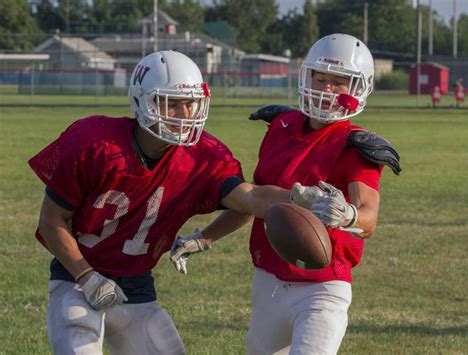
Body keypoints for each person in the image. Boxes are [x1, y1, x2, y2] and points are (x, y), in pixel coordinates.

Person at [28, 50, 317, 354]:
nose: (183, 114)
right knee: (78, 345)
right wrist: (86, 276)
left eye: (190, 103)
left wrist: (299, 197)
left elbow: (250, 199)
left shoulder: (205, 156)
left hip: (137, 286)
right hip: (76, 279)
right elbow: (51, 221)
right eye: (170, 103)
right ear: (142, 101)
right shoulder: (96, 143)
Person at [170, 33, 401, 354]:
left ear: (359, 88)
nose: (327, 89)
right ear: (307, 76)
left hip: (323, 287)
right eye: (321, 78)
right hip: (268, 282)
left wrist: (347, 214)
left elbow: (369, 219)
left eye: (339, 82)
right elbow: (255, 199)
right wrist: (205, 237)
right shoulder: (280, 125)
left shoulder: (357, 146)